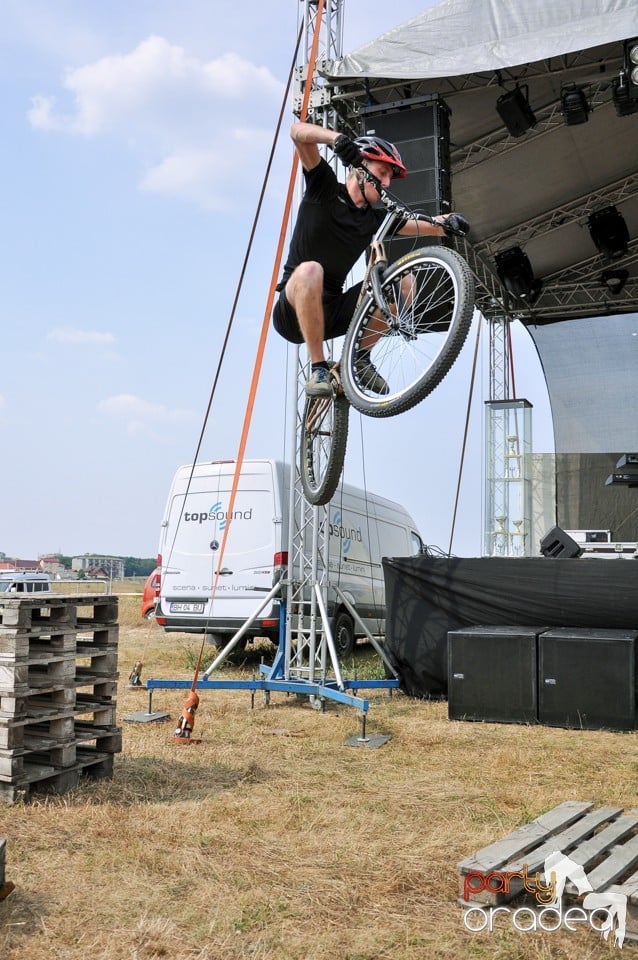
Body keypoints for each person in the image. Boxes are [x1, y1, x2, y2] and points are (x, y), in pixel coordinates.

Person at [272, 121, 468, 397]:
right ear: (361, 168)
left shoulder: (374, 218)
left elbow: (426, 224)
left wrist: (450, 221)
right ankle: (317, 369)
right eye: (382, 173)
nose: (386, 183)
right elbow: (297, 133)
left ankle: (360, 359)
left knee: (404, 281)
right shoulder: (324, 188)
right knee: (310, 270)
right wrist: (337, 139)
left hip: (332, 312)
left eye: (389, 177)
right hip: (292, 310)